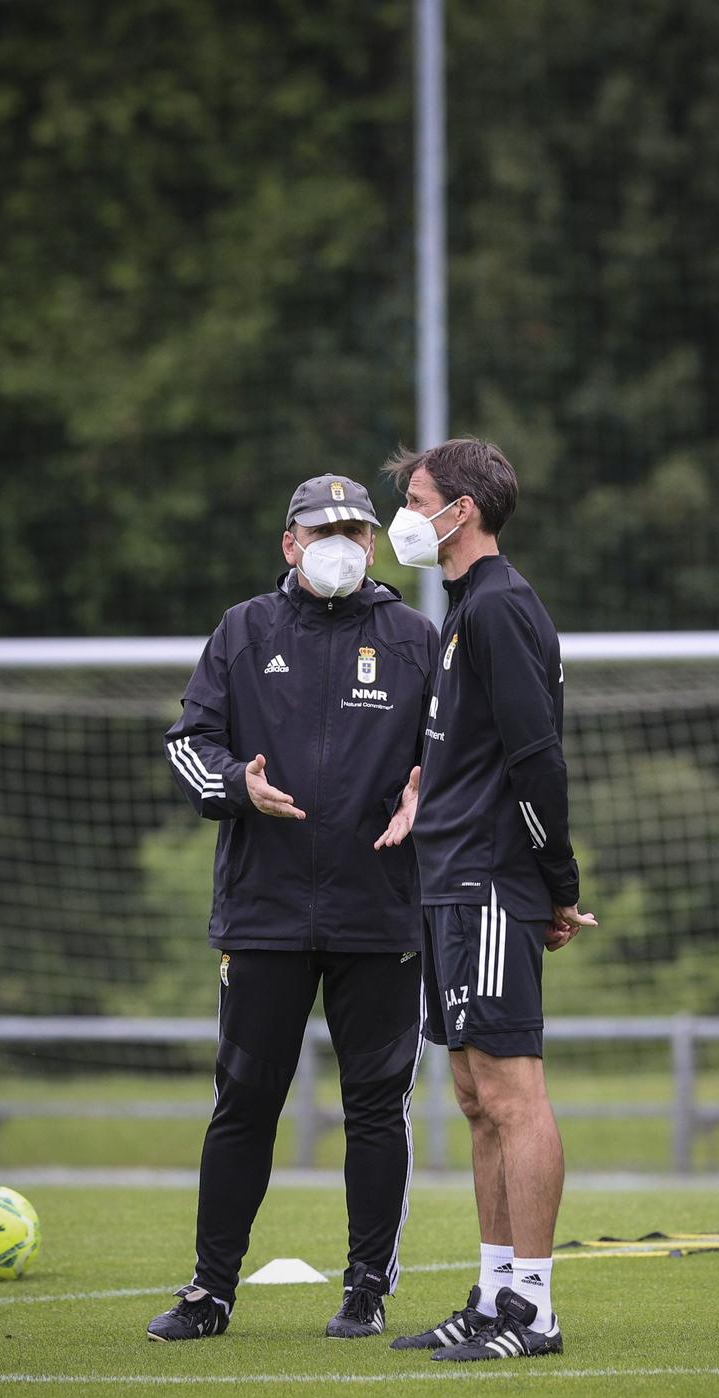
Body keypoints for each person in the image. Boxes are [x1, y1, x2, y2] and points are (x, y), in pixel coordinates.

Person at [147, 474, 437, 1343]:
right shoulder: (243, 631)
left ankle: (365, 1290)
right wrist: (239, 784)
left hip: (381, 913)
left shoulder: (417, 639)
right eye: (323, 529)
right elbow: (190, 746)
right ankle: (209, 1292)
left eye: (355, 527)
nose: (340, 541)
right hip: (263, 913)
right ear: (290, 542)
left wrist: (432, 795)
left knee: (376, 1110)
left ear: (375, 544)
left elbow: (459, 757)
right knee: (242, 1104)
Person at [379, 438, 596, 1362]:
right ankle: (497, 1290)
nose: (407, 516)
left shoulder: (502, 607)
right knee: (473, 1094)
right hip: (450, 878)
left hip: (489, 881)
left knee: (512, 1092)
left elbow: (534, 756)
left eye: (417, 497)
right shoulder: (467, 610)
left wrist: (557, 885)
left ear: (460, 511)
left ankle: (535, 1312)